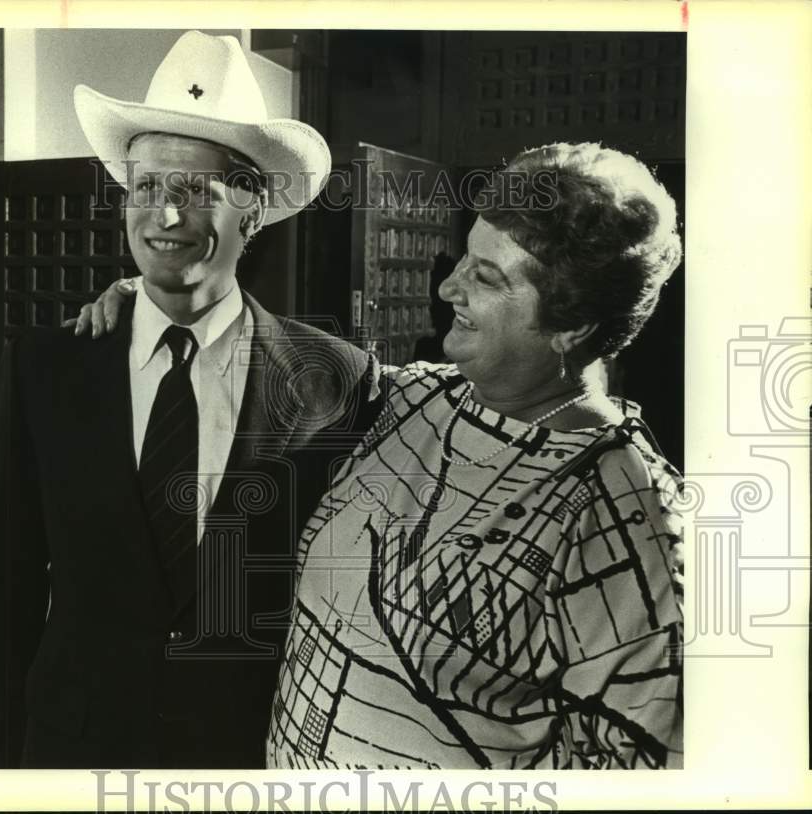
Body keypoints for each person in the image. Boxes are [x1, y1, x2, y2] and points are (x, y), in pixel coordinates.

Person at [84, 142, 685, 769]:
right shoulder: (413, 399)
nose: (448, 285)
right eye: (465, 259)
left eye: (485, 277)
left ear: (573, 326)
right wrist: (158, 291)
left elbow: (636, 769)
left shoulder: (629, 515)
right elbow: (264, 358)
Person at [0, 31, 381, 770]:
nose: (164, 217)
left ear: (253, 212)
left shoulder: (338, 378)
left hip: (248, 755)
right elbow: (7, 587)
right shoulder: (48, 367)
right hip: (74, 754)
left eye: (194, 192)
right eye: (147, 188)